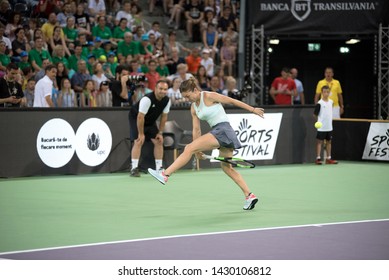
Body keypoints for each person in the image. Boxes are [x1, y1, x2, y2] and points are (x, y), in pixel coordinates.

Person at [148, 78, 265, 210]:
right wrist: (197, 151)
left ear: (195, 90)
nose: (187, 99)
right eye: (185, 97)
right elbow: (196, 130)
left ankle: (165, 174)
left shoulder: (209, 96)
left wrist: (253, 109)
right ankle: (249, 195)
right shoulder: (193, 108)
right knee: (227, 168)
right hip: (221, 133)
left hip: (223, 130)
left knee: (188, 148)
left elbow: (232, 101)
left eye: (188, 96)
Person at [129, 79, 171, 177]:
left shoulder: (166, 100)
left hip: (150, 120)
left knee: (158, 141)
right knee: (139, 141)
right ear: (155, 88)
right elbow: (140, 117)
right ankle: (134, 168)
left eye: (165, 89)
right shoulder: (147, 99)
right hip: (136, 118)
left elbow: (164, 117)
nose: (163, 91)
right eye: (161, 88)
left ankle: (159, 168)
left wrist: (160, 132)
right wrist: (141, 133)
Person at [314, 85, 338, 165]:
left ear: (329, 93)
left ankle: (328, 158)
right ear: (322, 93)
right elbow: (315, 114)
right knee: (319, 142)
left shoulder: (331, 102)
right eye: (324, 92)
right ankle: (318, 158)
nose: (326, 93)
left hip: (329, 126)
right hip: (321, 127)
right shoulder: (319, 103)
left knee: (329, 142)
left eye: (328, 92)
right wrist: (319, 122)